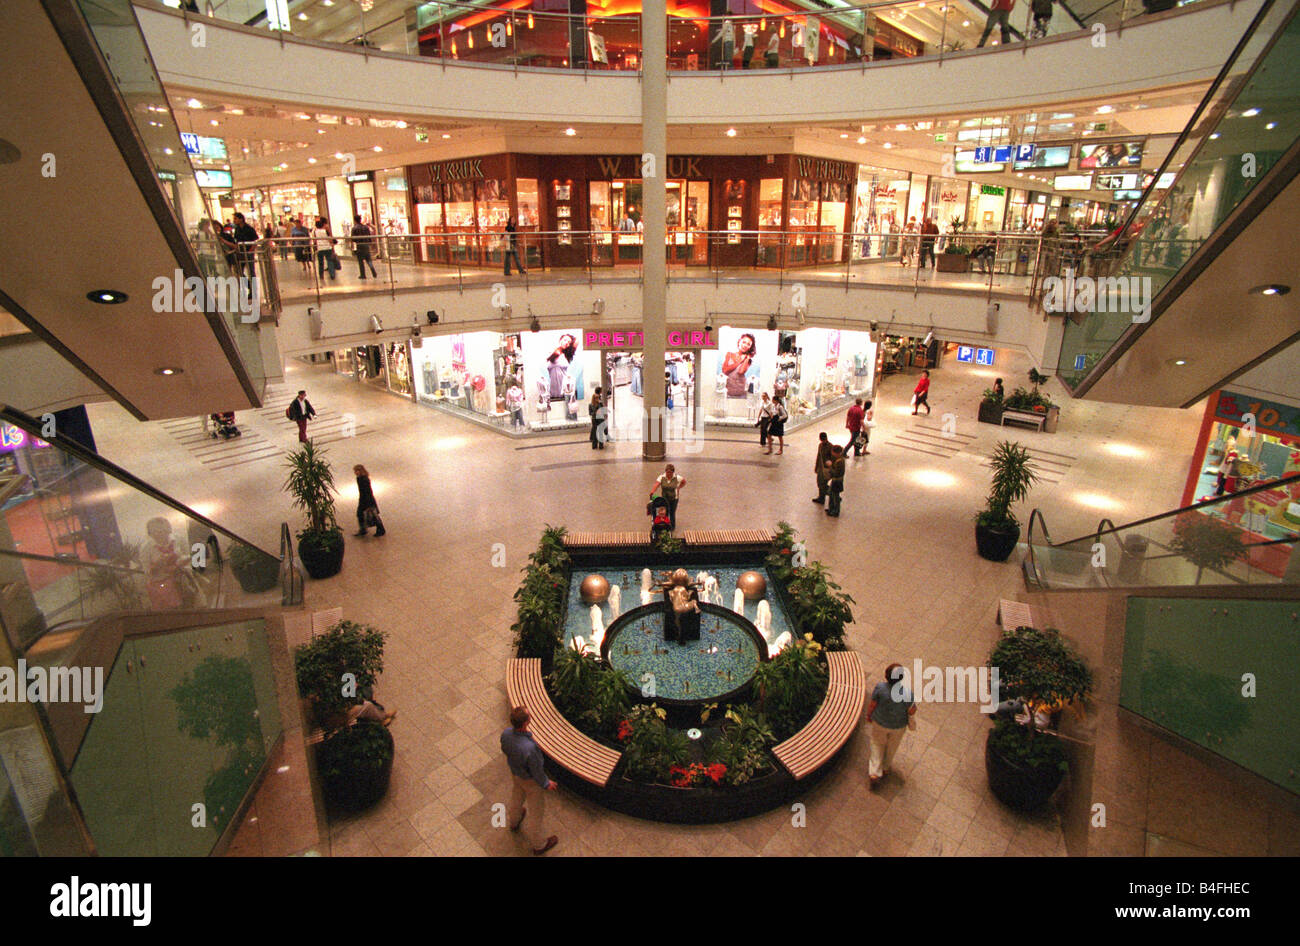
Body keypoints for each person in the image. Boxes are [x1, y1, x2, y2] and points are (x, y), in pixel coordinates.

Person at [500, 706, 559, 856]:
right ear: (526, 722)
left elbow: (504, 750)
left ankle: (514, 821)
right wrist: (546, 783)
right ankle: (539, 845)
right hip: (530, 782)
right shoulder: (530, 748)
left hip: (515, 774)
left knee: (516, 796)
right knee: (536, 812)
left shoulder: (506, 734)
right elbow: (537, 770)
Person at [866, 663, 916, 787]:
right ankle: (886, 767)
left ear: (886, 676)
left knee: (877, 744)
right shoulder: (907, 693)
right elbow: (912, 710)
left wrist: (869, 716)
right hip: (898, 726)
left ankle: (874, 772)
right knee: (892, 746)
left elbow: (872, 704)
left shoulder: (880, 688)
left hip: (880, 722)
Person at [353, 464, 385, 537]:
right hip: (363, 499)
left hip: (367, 500)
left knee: (372, 515)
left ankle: (379, 529)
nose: (356, 472)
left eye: (357, 471)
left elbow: (368, 491)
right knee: (362, 514)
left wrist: (368, 503)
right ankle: (364, 529)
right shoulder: (360, 478)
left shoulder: (364, 479)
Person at [722, 333, 756, 398]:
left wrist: (747, 358)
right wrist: (740, 361)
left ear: (750, 348)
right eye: (744, 342)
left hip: (741, 392)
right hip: (728, 392)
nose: (745, 345)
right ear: (739, 341)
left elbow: (741, 372)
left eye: (748, 344)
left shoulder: (748, 360)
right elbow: (725, 371)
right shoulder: (729, 354)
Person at [652, 464, 685, 529]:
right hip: (665, 498)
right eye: (667, 472)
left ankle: (672, 527)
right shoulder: (662, 477)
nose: (668, 474)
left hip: (674, 498)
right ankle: (665, 525)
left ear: (673, 472)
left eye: (670, 472)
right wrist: (652, 491)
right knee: (665, 512)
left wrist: (679, 487)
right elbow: (657, 484)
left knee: (672, 512)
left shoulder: (677, 477)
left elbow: (684, 481)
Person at [351, 214, 378, 279]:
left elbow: (353, 238)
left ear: (355, 220)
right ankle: (373, 270)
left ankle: (363, 274)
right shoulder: (366, 227)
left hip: (359, 245)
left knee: (360, 261)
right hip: (366, 245)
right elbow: (369, 236)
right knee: (368, 259)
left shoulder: (354, 228)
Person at [310, 217, 337, 281]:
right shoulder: (325, 231)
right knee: (330, 261)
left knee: (320, 262)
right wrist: (332, 247)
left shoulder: (315, 232)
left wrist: (315, 247)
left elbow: (314, 241)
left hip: (320, 248)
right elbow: (330, 239)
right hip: (327, 248)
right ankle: (332, 274)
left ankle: (321, 275)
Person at [825, 444, 847, 517]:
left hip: (837, 481)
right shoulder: (840, 459)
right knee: (831, 494)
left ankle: (836, 511)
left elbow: (836, 473)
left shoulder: (839, 461)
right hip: (837, 480)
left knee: (835, 496)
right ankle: (831, 508)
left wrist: (830, 466)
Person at [813, 432, 834, 505]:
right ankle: (821, 497)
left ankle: (831, 495)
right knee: (819, 483)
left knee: (823, 484)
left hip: (827, 469)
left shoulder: (830, 446)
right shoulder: (820, 445)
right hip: (820, 468)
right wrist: (816, 467)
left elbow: (832, 458)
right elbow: (818, 456)